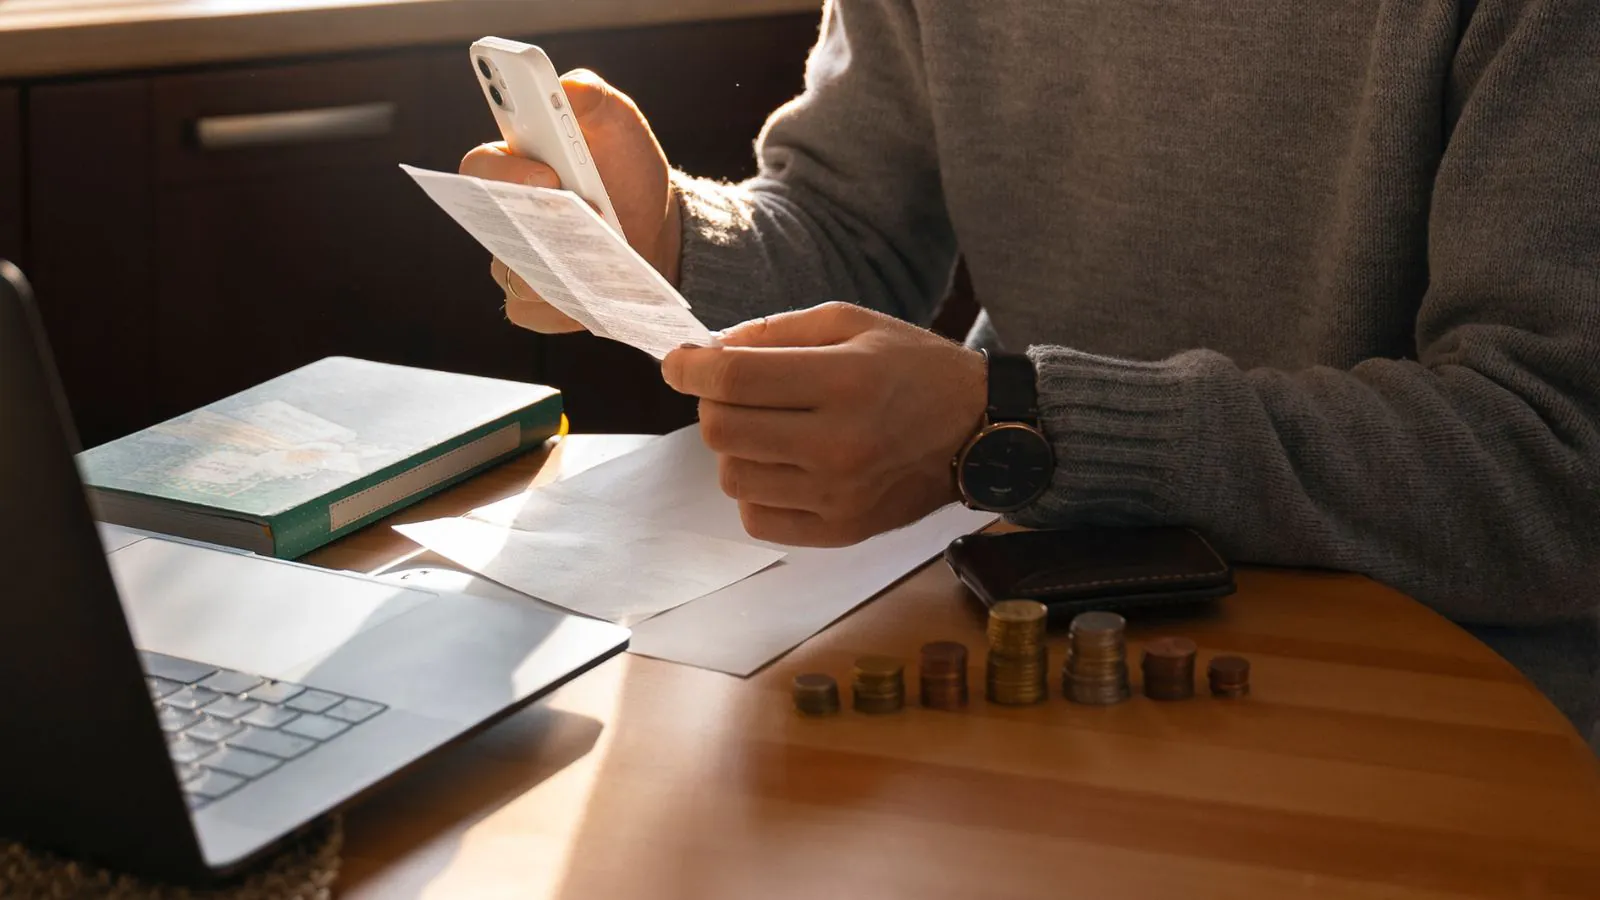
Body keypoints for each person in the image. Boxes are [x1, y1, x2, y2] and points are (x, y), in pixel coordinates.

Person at [462, 0, 1600, 749]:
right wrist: (669, 241)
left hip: (1440, 697)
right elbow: (851, 225)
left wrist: (1015, 428)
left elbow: (1559, 462)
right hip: (1018, 636)